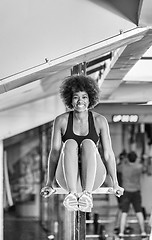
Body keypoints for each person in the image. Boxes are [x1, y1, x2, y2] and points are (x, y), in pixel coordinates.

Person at [40, 75, 124, 212]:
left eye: (84, 97)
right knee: (70, 143)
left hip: (93, 178)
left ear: (90, 98)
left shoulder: (99, 120)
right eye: (76, 97)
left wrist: (115, 183)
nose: (80, 101)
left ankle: (87, 195)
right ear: (70, 99)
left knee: (88, 143)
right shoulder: (61, 120)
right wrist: (49, 183)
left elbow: (108, 154)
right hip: (67, 179)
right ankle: (72, 195)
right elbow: (54, 153)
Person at [118, 151, 146, 238]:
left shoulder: (123, 167)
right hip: (136, 192)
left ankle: (121, 233)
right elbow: (146, 169)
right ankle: (143, 232)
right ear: (136, 158)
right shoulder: (139, 167)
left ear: (128, 158)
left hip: (126, 192)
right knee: (139, 212)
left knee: (124, 213)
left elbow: (117, 167)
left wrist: (123, 160)